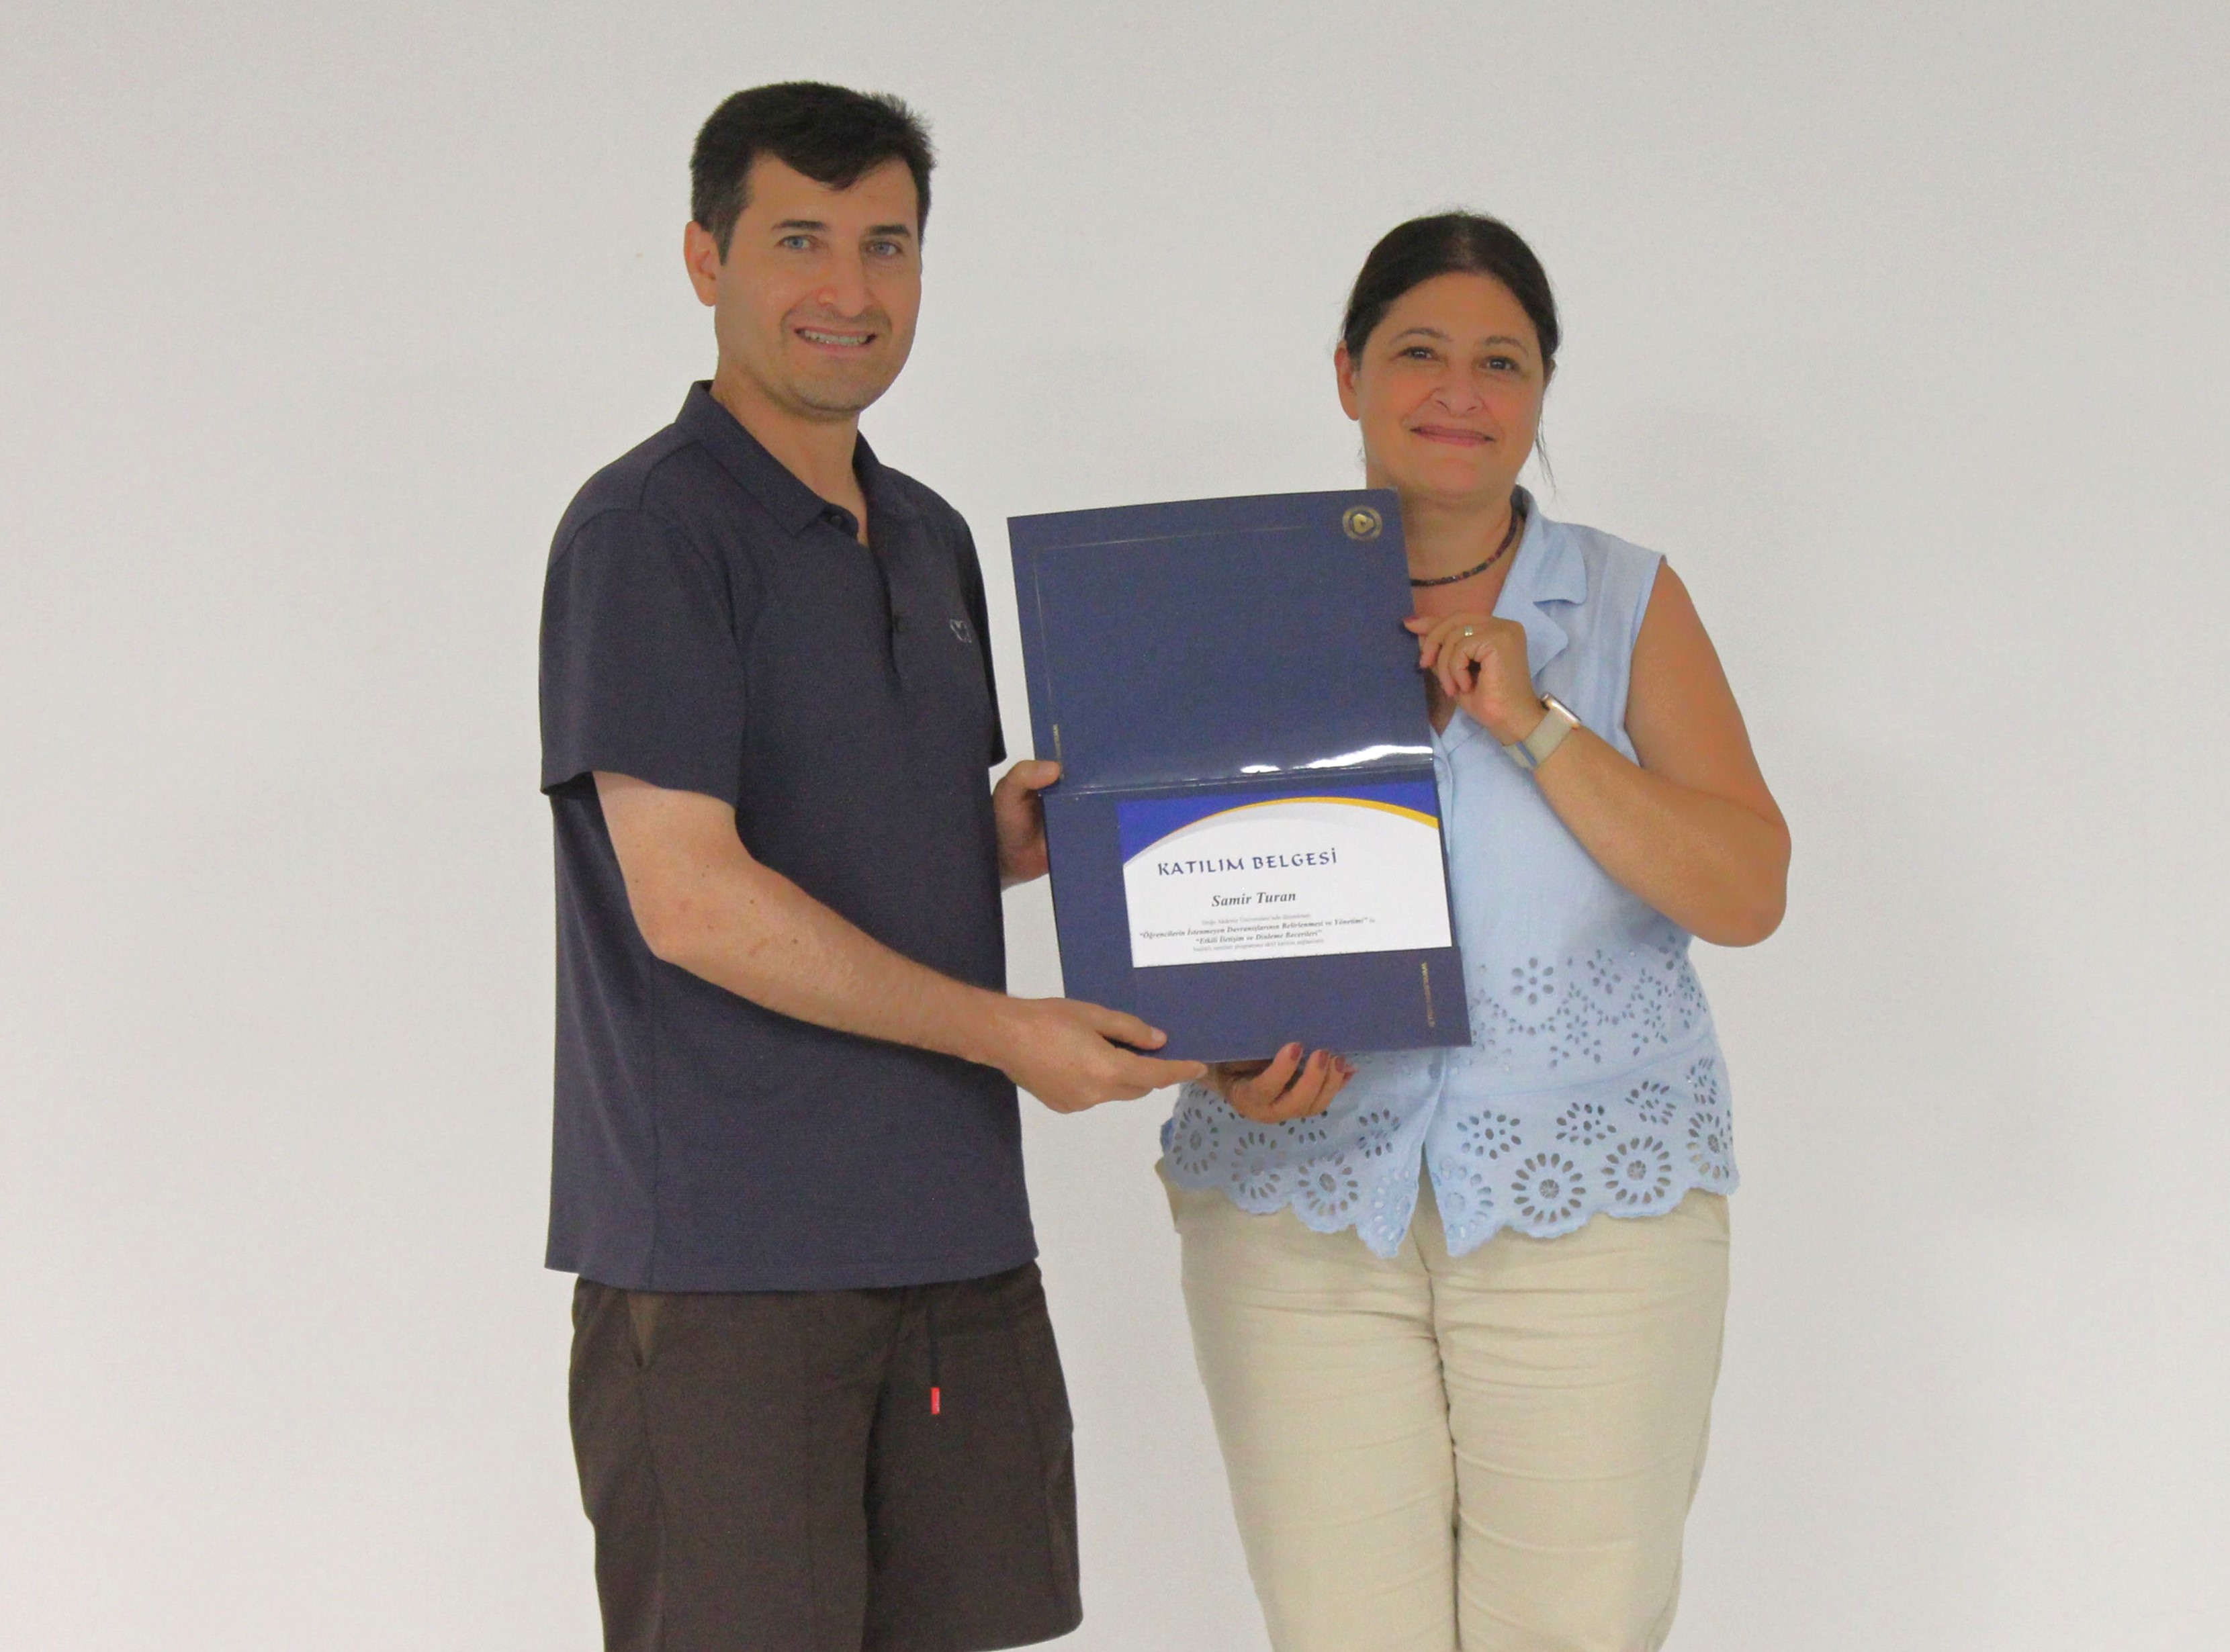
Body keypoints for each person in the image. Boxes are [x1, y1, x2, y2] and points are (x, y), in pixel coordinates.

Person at [538, 82, 1202, 1652]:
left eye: (886, 245)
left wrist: (1003, 845)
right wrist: (1010, 1032)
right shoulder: (647, 531)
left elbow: (842, 838)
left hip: (957, 1249)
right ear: (705, 259)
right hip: (731, 1272)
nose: (849, 288)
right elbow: (691, 899)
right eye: (800, 241)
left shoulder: (925, 537)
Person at [1157, 213, 1791, 1652]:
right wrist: (1221, 1063)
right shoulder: (1229, 601)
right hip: (1298, 1212)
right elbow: (1175, 908)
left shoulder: (1624, 600)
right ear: (1347, 374)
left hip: (1588, 1213)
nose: (1460, 391)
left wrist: (1538, 725)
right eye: (1418, 353)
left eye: (1501, 361)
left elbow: (1747, 890)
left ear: (1543, 389)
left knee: (1576, 1627)